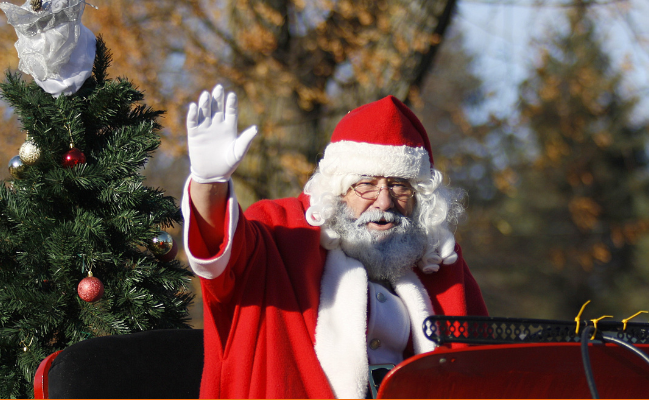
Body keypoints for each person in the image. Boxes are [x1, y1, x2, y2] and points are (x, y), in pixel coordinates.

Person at [182, 85, 488, 399]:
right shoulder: (282, 233)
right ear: (337, 191)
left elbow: (491, 371)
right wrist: (210, 185)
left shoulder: (439, 263)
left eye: (399, 186)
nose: (384, 201)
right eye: (365, 184)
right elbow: (220, 254)